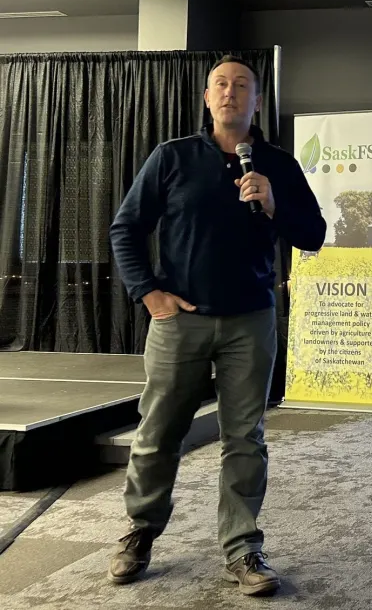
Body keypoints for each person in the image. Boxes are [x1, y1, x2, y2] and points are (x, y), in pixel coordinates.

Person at [107, 55, 326, 596]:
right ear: (207, 98)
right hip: (181, 321)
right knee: (157, 435)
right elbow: (127, 227)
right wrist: (147, 292)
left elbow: (314, 234)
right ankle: (140, 531)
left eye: (242, 86)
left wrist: (274, 205)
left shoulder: (276, 163)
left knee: (245, 439)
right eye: (221, 85)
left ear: (256, 101)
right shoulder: (173, 157)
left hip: (250, 320)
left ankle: (243, 547)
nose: (230, 93)